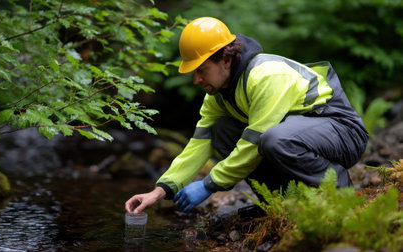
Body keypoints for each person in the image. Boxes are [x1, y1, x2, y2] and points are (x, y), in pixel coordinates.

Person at [125, 17, 368, 214]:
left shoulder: (265, 76)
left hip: (341, 132)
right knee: (220, 130)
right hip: (300, 135)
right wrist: (160, 191)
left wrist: (209, 184)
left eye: (202, 70)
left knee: (274, 140)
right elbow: (198, 144)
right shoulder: (217, 95)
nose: (196, 80)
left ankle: (340, 191)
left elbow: (255, 142)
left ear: (226, 60)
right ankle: (281, 204)